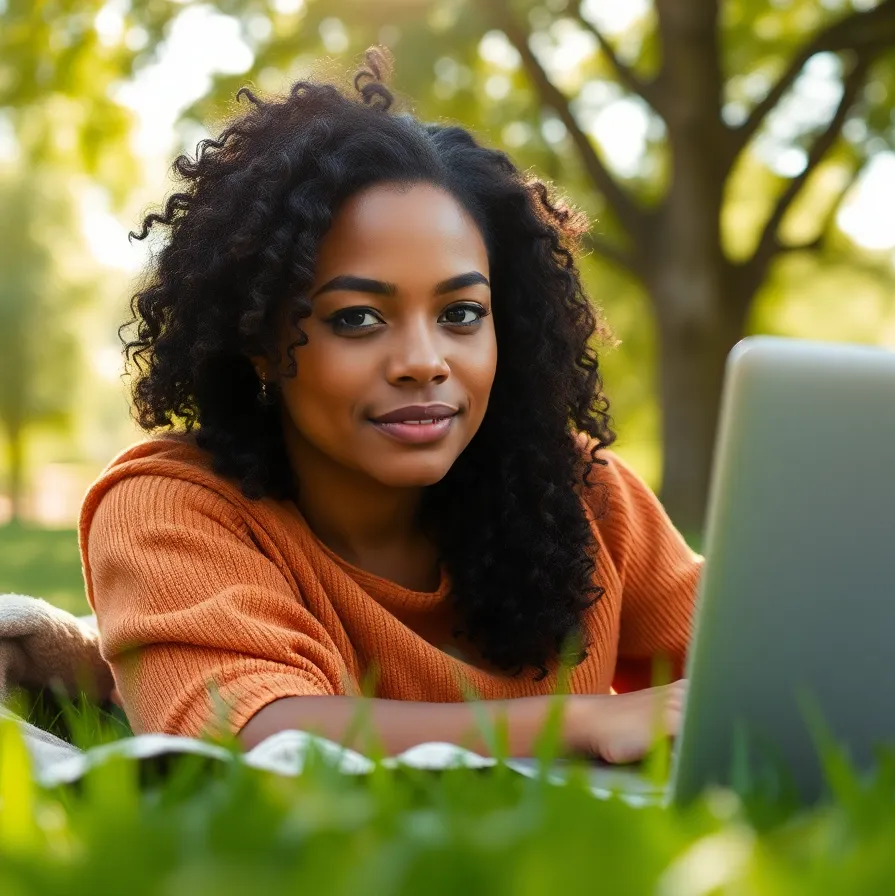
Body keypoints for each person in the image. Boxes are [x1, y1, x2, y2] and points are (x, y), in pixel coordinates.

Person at [79, 49, 701, 765]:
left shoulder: (583, 495)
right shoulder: (166, 506)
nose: (423, 362)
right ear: (257, 339)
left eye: (462, 313)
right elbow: (248, 737)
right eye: (357, 319)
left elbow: (772, 670)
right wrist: (579, 723)